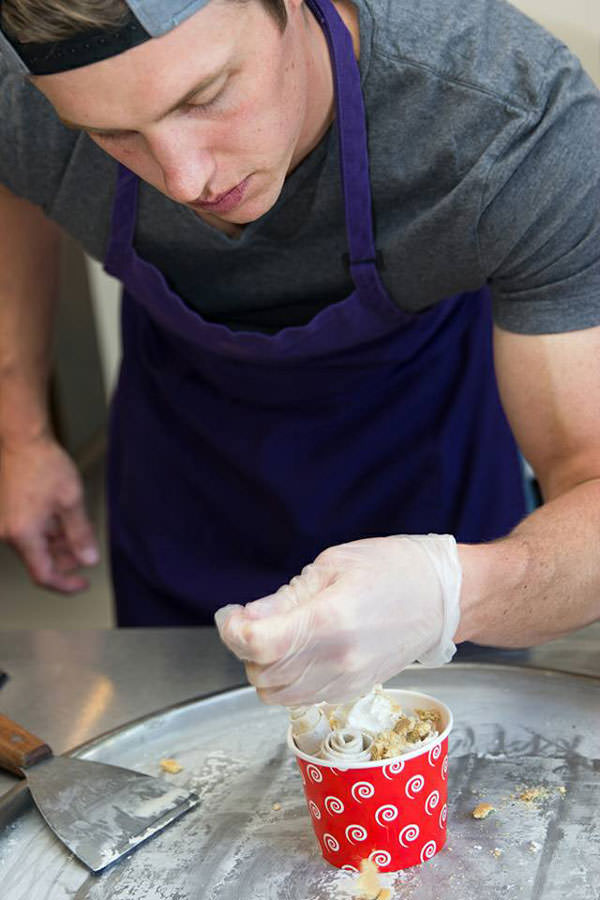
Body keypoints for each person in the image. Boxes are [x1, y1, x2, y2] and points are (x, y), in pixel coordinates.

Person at [0, 0, 598, 702]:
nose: (186, 181)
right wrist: (21, 431)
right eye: (112, 133)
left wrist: (450, 593)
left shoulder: (506, 123)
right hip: (187, 480)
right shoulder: (19, 91)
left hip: (432, 469)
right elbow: (12, 171)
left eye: (205, 96)